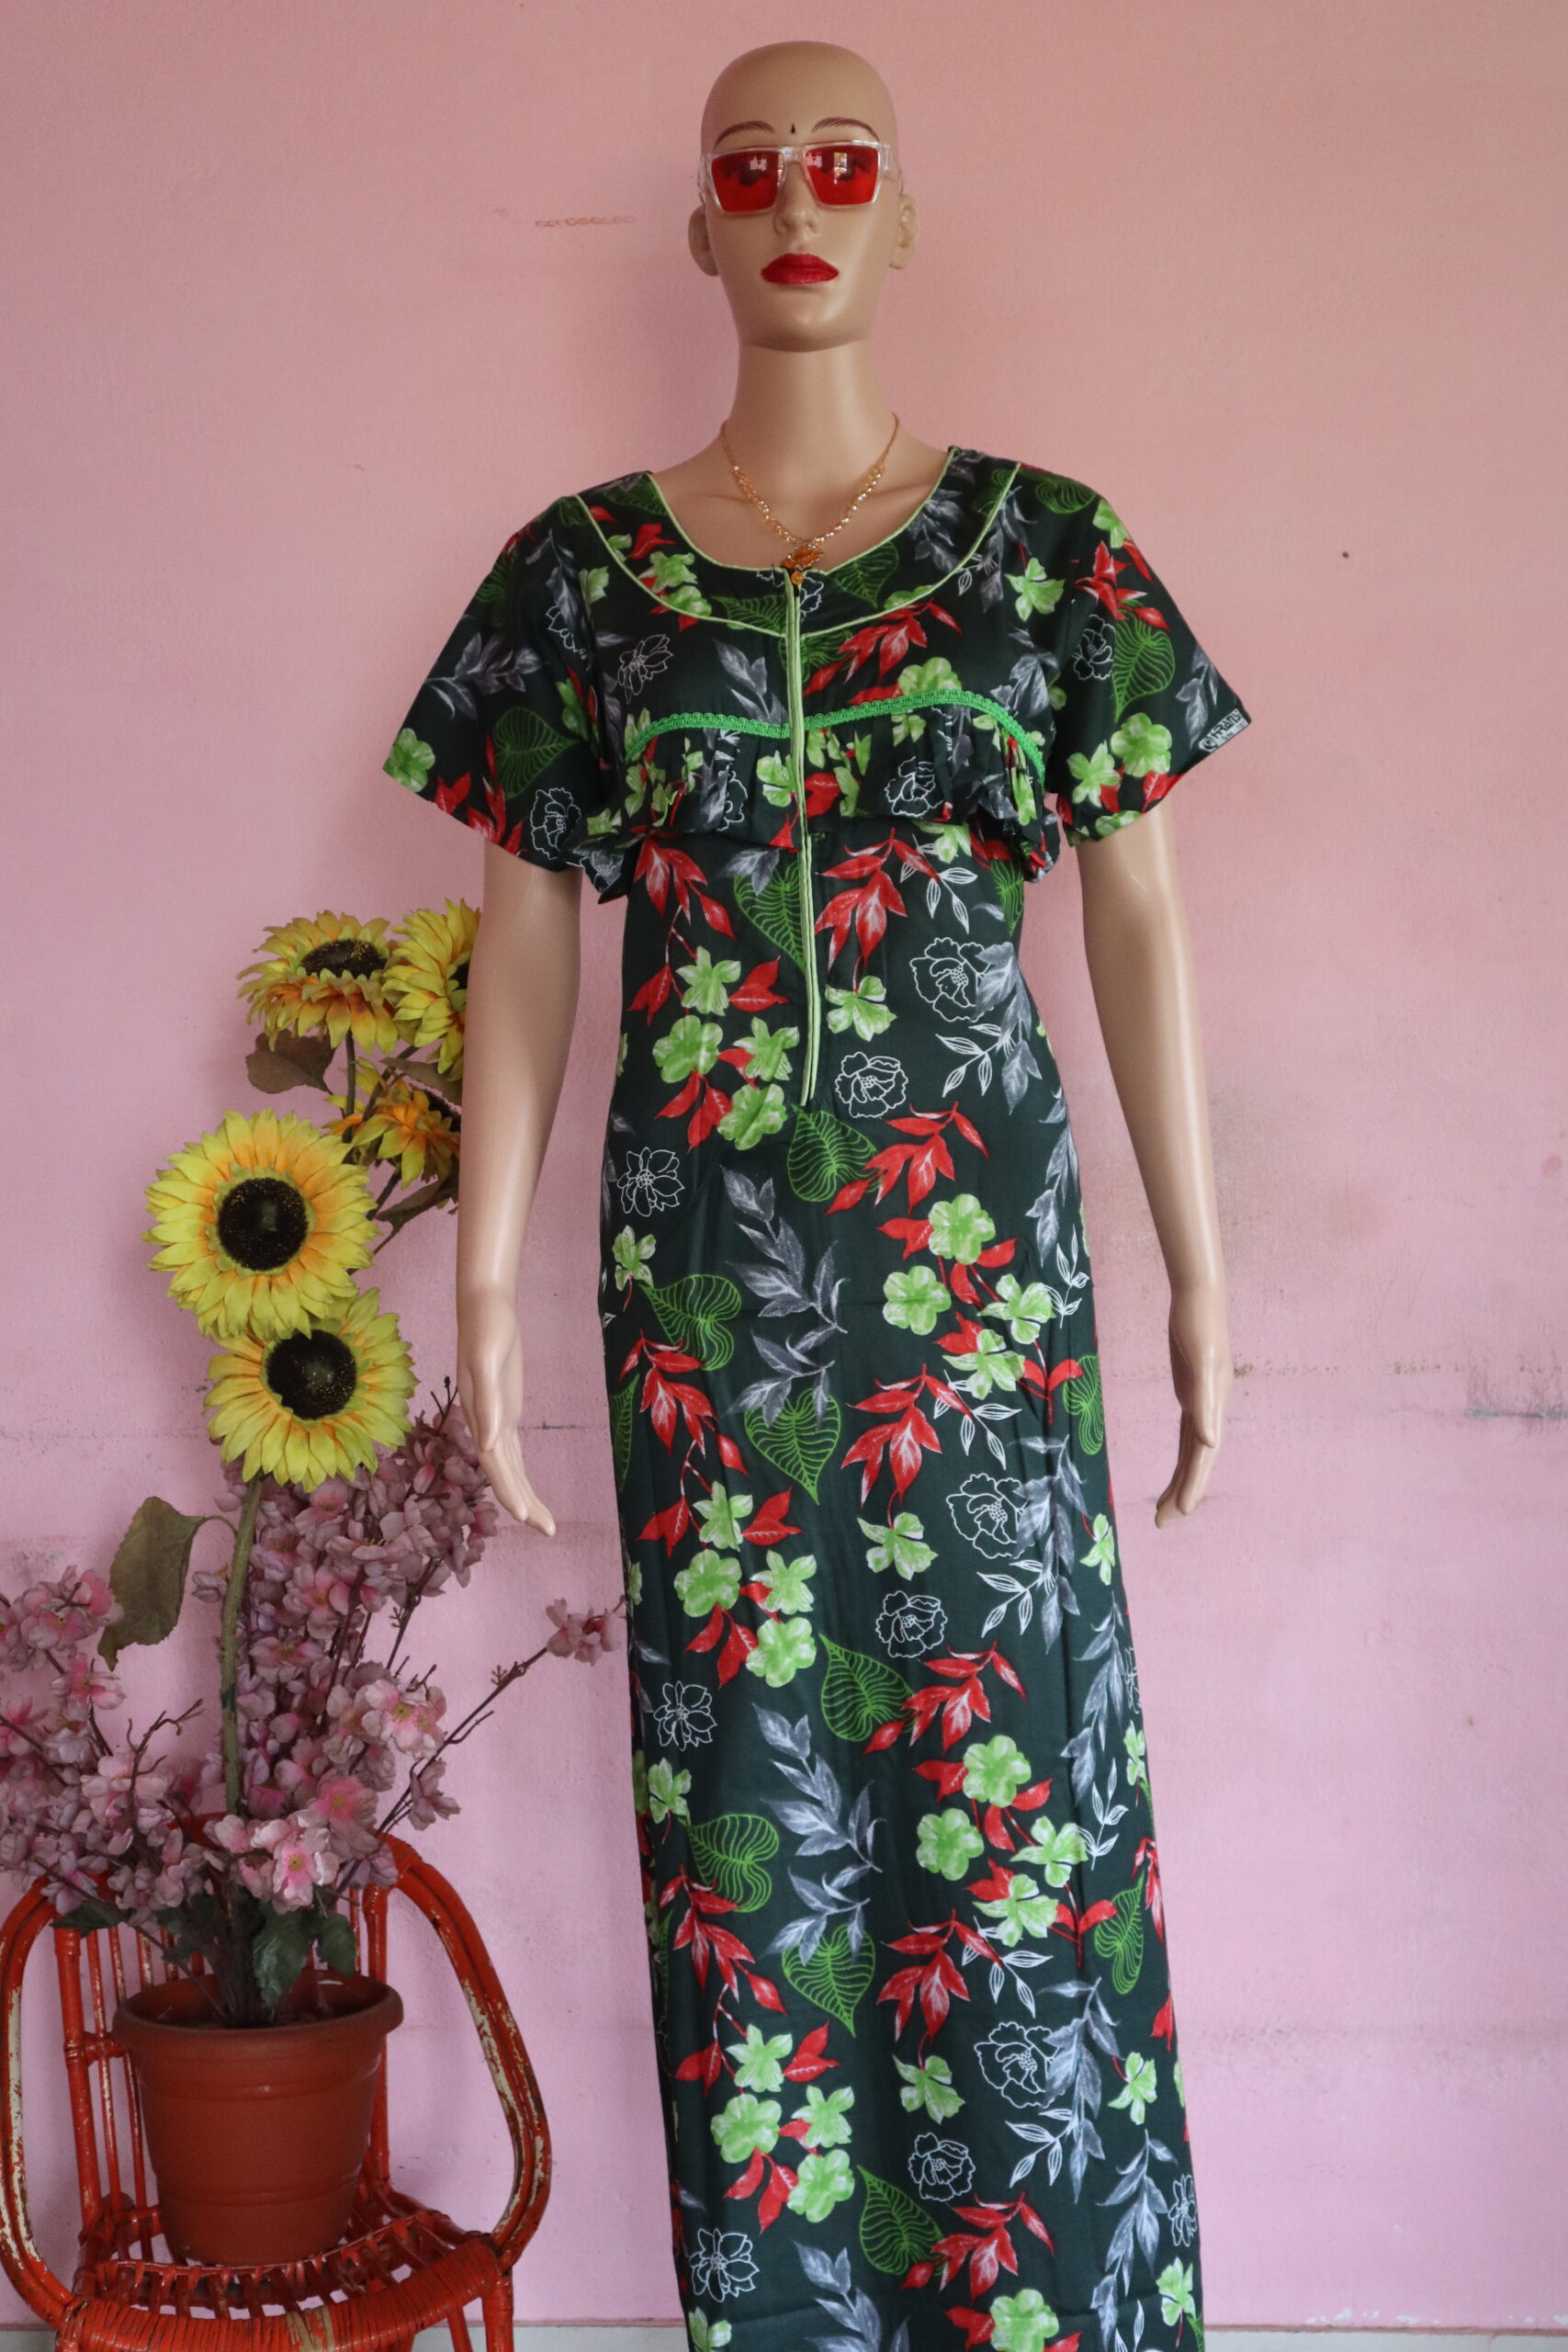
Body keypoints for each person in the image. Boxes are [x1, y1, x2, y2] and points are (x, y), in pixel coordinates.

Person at [381, 39, 1250, 2352]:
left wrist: (1198, 1271)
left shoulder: (1045, 553)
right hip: (701, 1299)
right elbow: (523, 943)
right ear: (697, 227)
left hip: (976, 1298)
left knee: (1014, 1806)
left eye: (841, 163)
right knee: (745, 1828)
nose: (795, 201)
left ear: (903, 217)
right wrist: (483, 1280)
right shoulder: (579, 578)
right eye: (748, 169)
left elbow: (1140, 918)